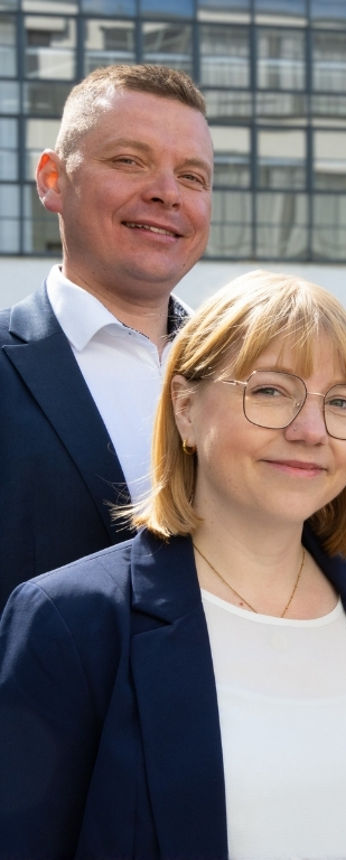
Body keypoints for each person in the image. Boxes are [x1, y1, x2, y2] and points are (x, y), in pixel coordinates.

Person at [0, 272, 346, 858]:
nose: (310, 430)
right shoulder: (73, 621)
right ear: (185, 409)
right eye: (272, 391)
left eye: (342, 403)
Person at [0, 63, 213, 603]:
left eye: (192, 176)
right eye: (128, 161)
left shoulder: (249, 369)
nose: (168, 193)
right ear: (52, 179)